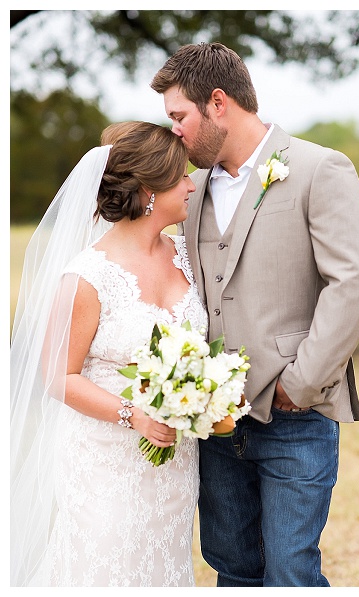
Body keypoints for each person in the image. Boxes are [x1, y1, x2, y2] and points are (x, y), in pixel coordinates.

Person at [150, 42, 359, 587]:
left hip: (295, 418)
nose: (174, 132)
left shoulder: (319, 168)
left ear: (219, 102)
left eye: (179, 116)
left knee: (290, 571)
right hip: (213, 423)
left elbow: (354, 282)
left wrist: (298, 384)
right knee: (232, 568)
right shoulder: (193, 186)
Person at [10, 121, 204, 586]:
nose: (192, 184)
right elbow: (59, 376)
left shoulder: (187, 256)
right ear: (150, 191)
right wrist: (133, 416)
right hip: (105, 461)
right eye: (181, 176)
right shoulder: (86, 276)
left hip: (175, 463)